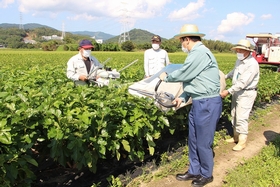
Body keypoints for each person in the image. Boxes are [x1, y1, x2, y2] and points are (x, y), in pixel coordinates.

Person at [159, 24, 222, 187]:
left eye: (181, 41)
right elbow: (194, 80)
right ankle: (194, 170)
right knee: (193, 139)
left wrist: (166, 77)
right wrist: (183, 96)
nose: (182, 44)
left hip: (207, 103)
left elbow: (185, 73)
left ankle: (206, 174)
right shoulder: (197, 53)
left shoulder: (200, 52)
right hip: (198, 101)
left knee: (203, 141)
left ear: (187, 39)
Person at [220, 39, 260, 151]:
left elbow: (243, 82)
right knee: (234, 114)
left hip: (246, 93)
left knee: (242, 117)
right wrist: (225, 76)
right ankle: (236, 137)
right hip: (237, 92)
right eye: (237, 49)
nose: (238, 51)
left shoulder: (252, 64)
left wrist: (228, 91)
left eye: (241, 50)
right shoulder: (240, 61)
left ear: (248, 51)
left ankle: (242, 142)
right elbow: (234, 72)